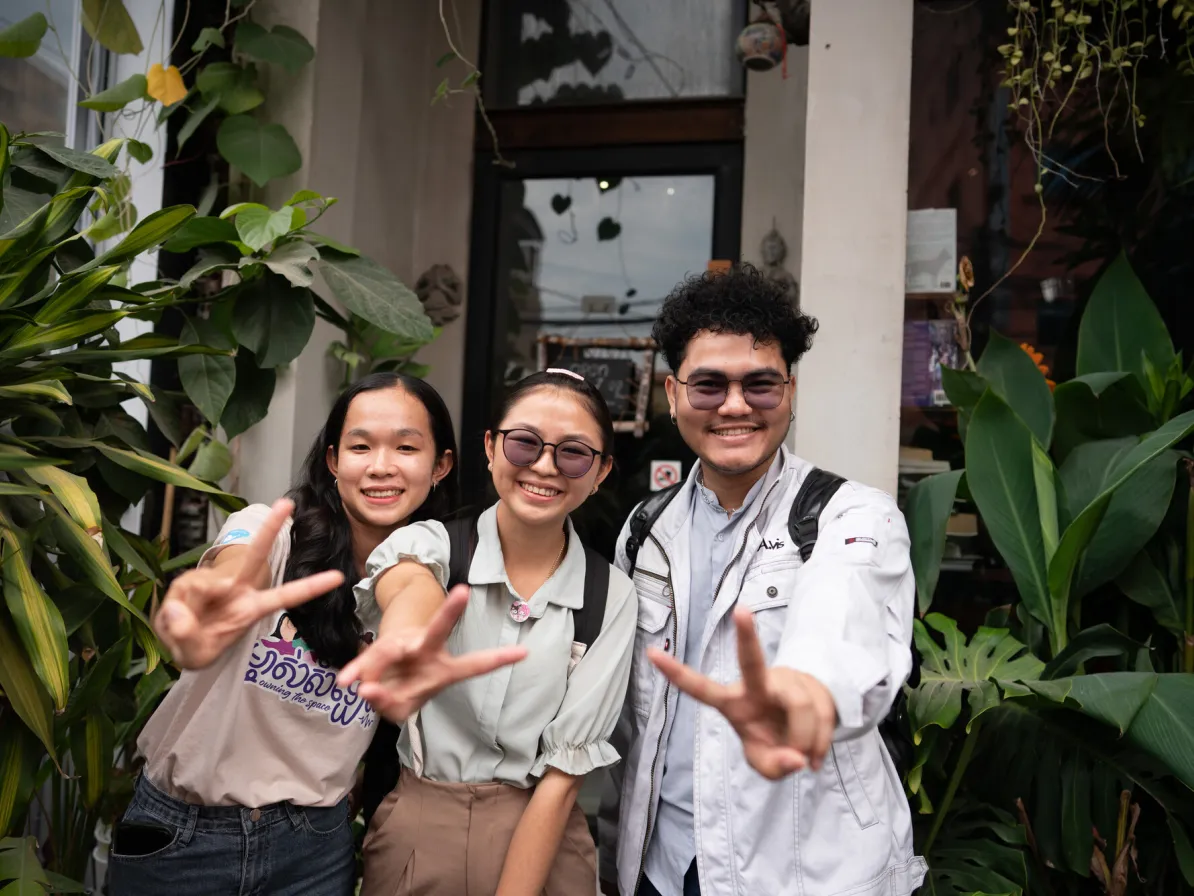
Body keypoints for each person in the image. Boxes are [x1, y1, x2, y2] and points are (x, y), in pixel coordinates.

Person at [108, 373, 523, 896]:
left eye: (406, 447)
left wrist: (403, 640)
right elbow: (238, 566)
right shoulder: (273, 530)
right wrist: (220, 595)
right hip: (184, 834)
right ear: (333, 461)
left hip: (312, 848)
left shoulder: (430, 562)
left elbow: (409, 591)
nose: (380, 466)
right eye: (360, 446)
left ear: (440, 465)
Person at [598, 265, 927, 896]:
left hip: (803, 873)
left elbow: (842, 609)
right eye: (708, 386)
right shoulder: (643, 530)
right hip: (663, 865)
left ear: (792, 392)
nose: (734, 405)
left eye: (761, 385)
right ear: (672, 395)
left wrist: (807, 690)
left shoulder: (851, 516)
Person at [338, 369, 638, 896]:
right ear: (491, 447)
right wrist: (408, 635)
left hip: (546, 835)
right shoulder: (432, 542)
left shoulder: (610, 595)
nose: (544, 466)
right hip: (420, 828)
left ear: (601, 471)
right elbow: (409, 580)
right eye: (524, 444)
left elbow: (564, 777)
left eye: (573, 453)